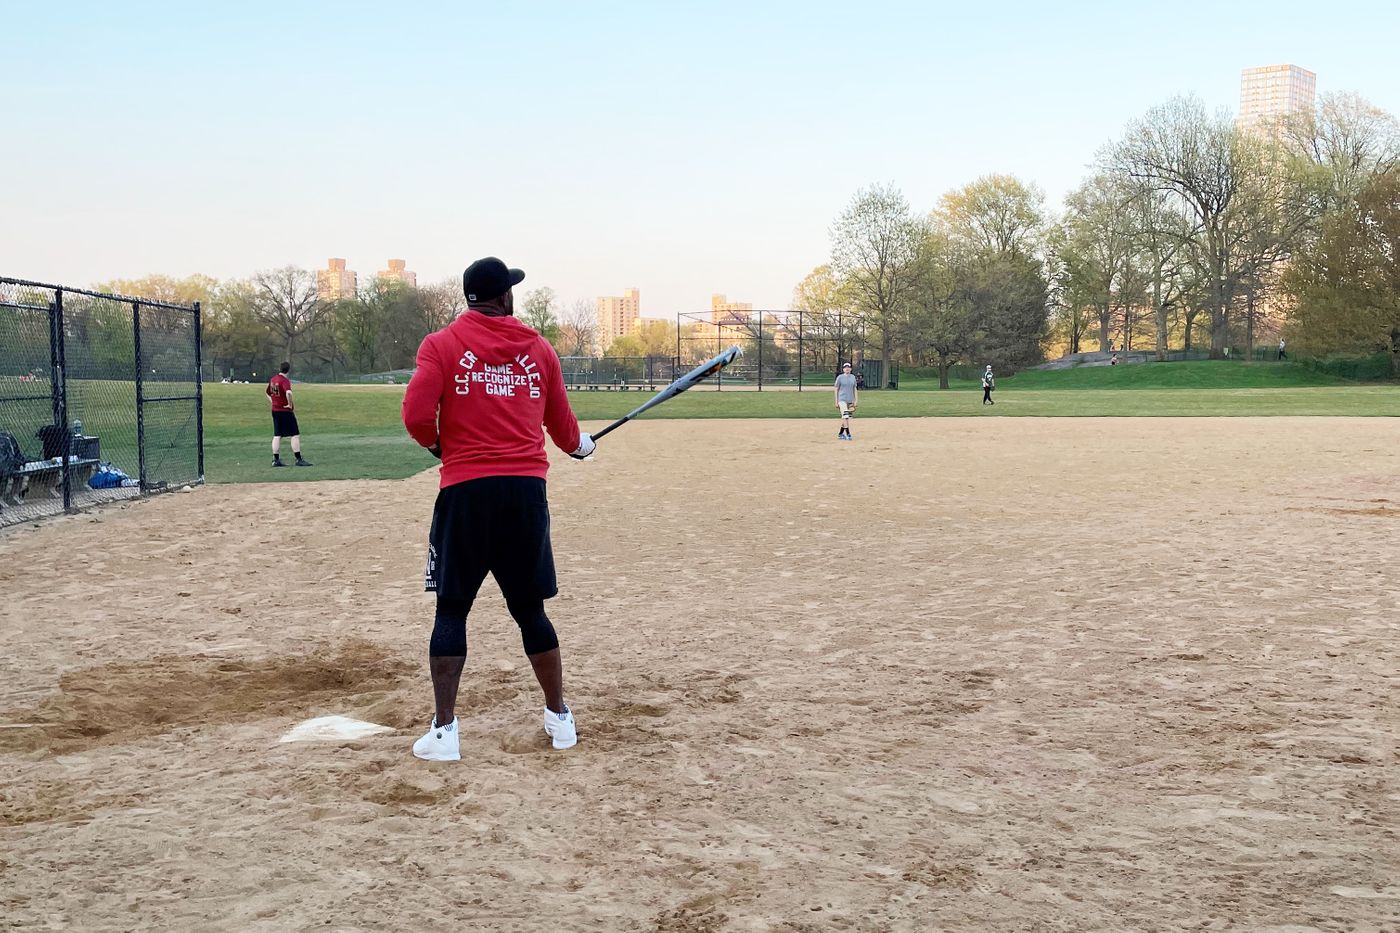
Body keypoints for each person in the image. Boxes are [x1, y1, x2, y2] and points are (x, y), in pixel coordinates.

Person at [402, 256, 595, 762]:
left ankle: (445, 733)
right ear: (504, 296)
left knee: (451, 610)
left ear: (468, 296)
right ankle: (560, 719)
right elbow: (563, 426)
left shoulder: (440, 345)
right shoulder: (538, 349)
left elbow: (417, 416)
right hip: (524, 494)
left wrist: (440, 447)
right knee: (530, 610)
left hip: (466, 494)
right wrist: (582, 447)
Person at [266, 362, 311, 467]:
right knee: (295, 434)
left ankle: (276, 459)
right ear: (288, 370)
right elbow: (289, 393)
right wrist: (289, 404)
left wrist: (273, 402)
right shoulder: (284, 381)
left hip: (275, 410)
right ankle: (298, 459)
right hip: (285, 411)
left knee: (277, 435)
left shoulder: (273, 379)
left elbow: (268, 392)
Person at [834, 362, 858, 440]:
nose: (847, 368)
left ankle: (840, 434)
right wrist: (836, 401)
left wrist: (856, 400)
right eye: (845, 367)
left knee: (846, 417)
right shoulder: (840, 377)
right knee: (845, 416)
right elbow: (836, 389)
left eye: (848, 367)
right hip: (842, 400)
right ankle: (848, 434)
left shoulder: (853, 377)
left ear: (851, 369)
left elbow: (855, 388)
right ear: (843, 369)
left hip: (850, 400)